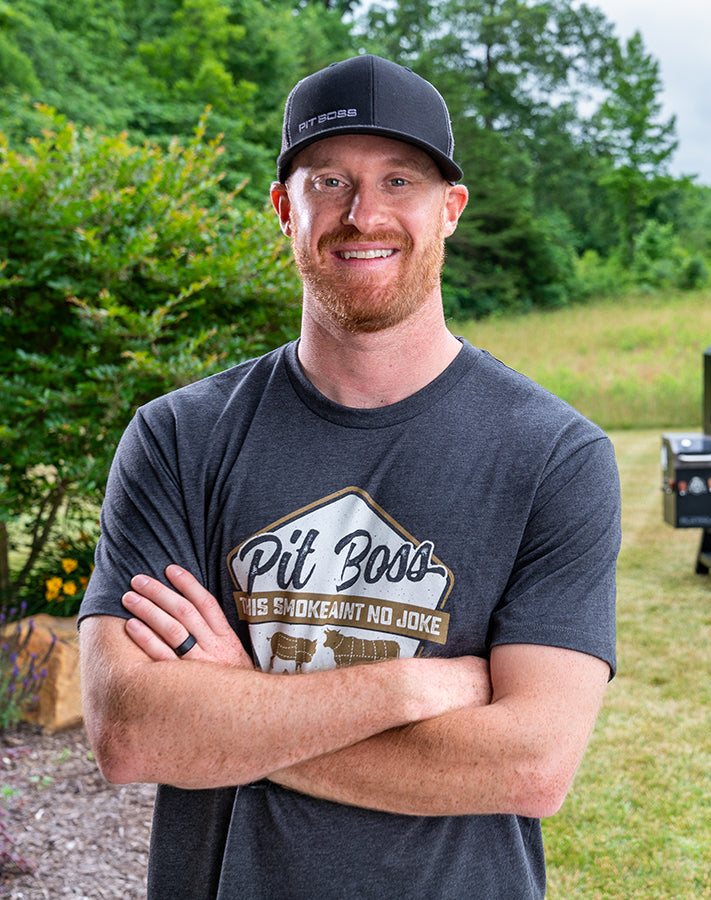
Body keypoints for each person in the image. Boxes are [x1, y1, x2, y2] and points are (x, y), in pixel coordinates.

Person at [78, 54, 620, 900]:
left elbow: (530, 765)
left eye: (398, 180)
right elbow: (130, 733)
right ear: (282, 209)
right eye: (328, 180)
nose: (363, 214)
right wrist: (414, 686)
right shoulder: (178, 438)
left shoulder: (552, 455)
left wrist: (238, 711)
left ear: (450, 210)